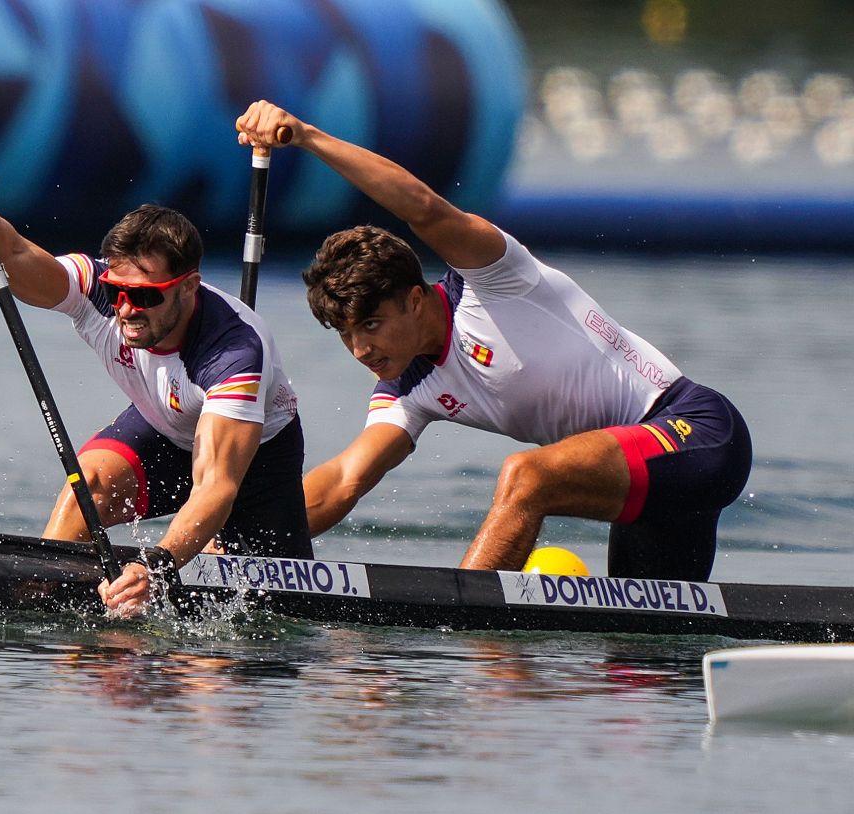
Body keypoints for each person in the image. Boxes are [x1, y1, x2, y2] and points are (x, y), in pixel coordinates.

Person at [235, 100, 751, 580]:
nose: (361, 350)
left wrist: (306, 136)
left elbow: (423, 208)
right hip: (642, 479)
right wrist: (231, 541)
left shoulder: (494, 281)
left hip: (696, 432)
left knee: (527, 477)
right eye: (346, 334)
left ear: (415, 299)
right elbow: (343, 482)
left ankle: (466, 622)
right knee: (639, 663)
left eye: (371, 325)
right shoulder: (406, 390)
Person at [0, 155, 312, 616]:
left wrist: (158, 565)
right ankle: (31, 610)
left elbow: (214, 486)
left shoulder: (233, 352)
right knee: (84, 489)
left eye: (146, 295)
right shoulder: (98, 289)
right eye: (118, 292)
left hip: (254, 463)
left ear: (189, 288)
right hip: (165, 429)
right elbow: (10, 256)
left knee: (264, 627)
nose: (126, 309)